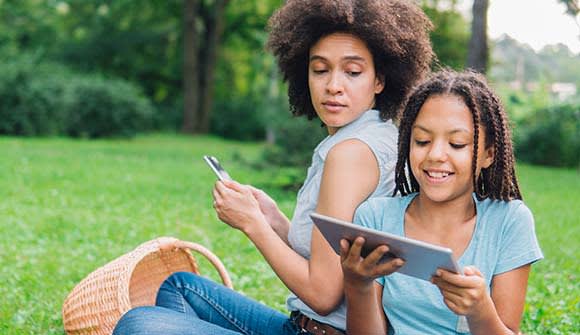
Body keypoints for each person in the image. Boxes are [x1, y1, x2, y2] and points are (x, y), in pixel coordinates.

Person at [113, 1, 433, 334]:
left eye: (352, 72)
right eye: (320, 69)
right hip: (302, 326)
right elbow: (331, 256)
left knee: (139, 324)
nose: (333, 85)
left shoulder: (350, 154)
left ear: (380, 80)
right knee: (182, 287)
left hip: (319, 329)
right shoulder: (376, 134)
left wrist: (253, 225)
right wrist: (274, 220)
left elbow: (323, 295)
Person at [340, 70, 543, 335]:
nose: (435, 155)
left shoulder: (509, 221)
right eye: (422, 141)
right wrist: (359, 285)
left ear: (488, 154)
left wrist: (480, 309)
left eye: (457, 144)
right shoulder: (376, 217)